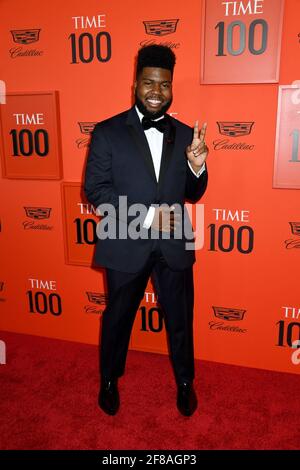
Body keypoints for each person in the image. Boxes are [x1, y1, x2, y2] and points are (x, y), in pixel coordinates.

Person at [84, 45, 208, 417]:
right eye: (150, 82)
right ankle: (109, 379)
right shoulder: (107, 132)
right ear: (136, 84)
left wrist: (197, 167)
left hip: (174, 244)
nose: (157, 91)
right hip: (124, 243)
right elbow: (96, 191)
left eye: (165, 84)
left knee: (181, 319)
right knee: (118, 317)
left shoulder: (187, 135)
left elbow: (193, 192)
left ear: (171, 88)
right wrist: (145, 218)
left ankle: (185, 382)